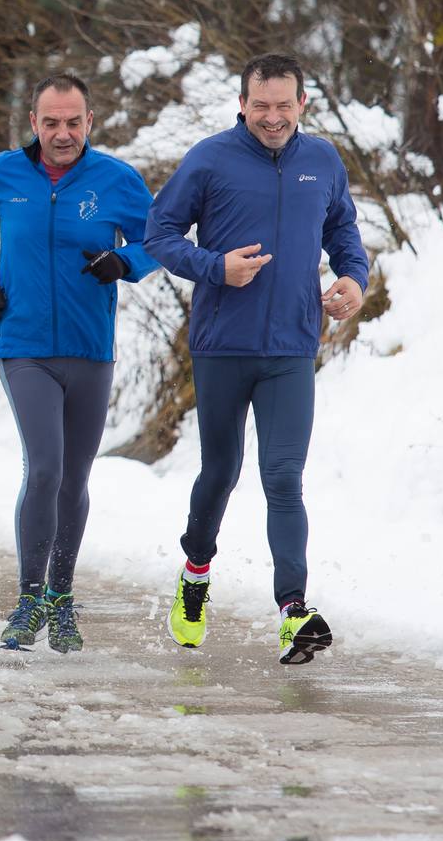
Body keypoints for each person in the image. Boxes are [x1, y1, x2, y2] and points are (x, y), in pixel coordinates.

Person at [143, 53, 370, 665]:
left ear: (303, 104)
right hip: (222, 346)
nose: (273, 117)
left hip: (292, 346)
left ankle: (294, 612)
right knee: (220, 472)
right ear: (242, 104)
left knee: (283, 479)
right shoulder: (211, 159)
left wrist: (353, 276)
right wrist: (215, 266)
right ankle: (194, 577)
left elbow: (343, 230)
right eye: (261, 105)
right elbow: (158, 232)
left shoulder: (321, 160)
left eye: (284, 105)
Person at [0, 72, 157, 653]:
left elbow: (155, 240)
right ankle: (28, 599)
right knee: (44, 467)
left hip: (91, 347)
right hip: (22, 344)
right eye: (51, 122)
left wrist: (123, 263)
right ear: (34, 123)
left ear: (90, 122)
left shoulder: (116, 179)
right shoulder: (2, 174)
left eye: (73, 121)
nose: (62, 133)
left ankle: (61, 599)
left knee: (75, 477)